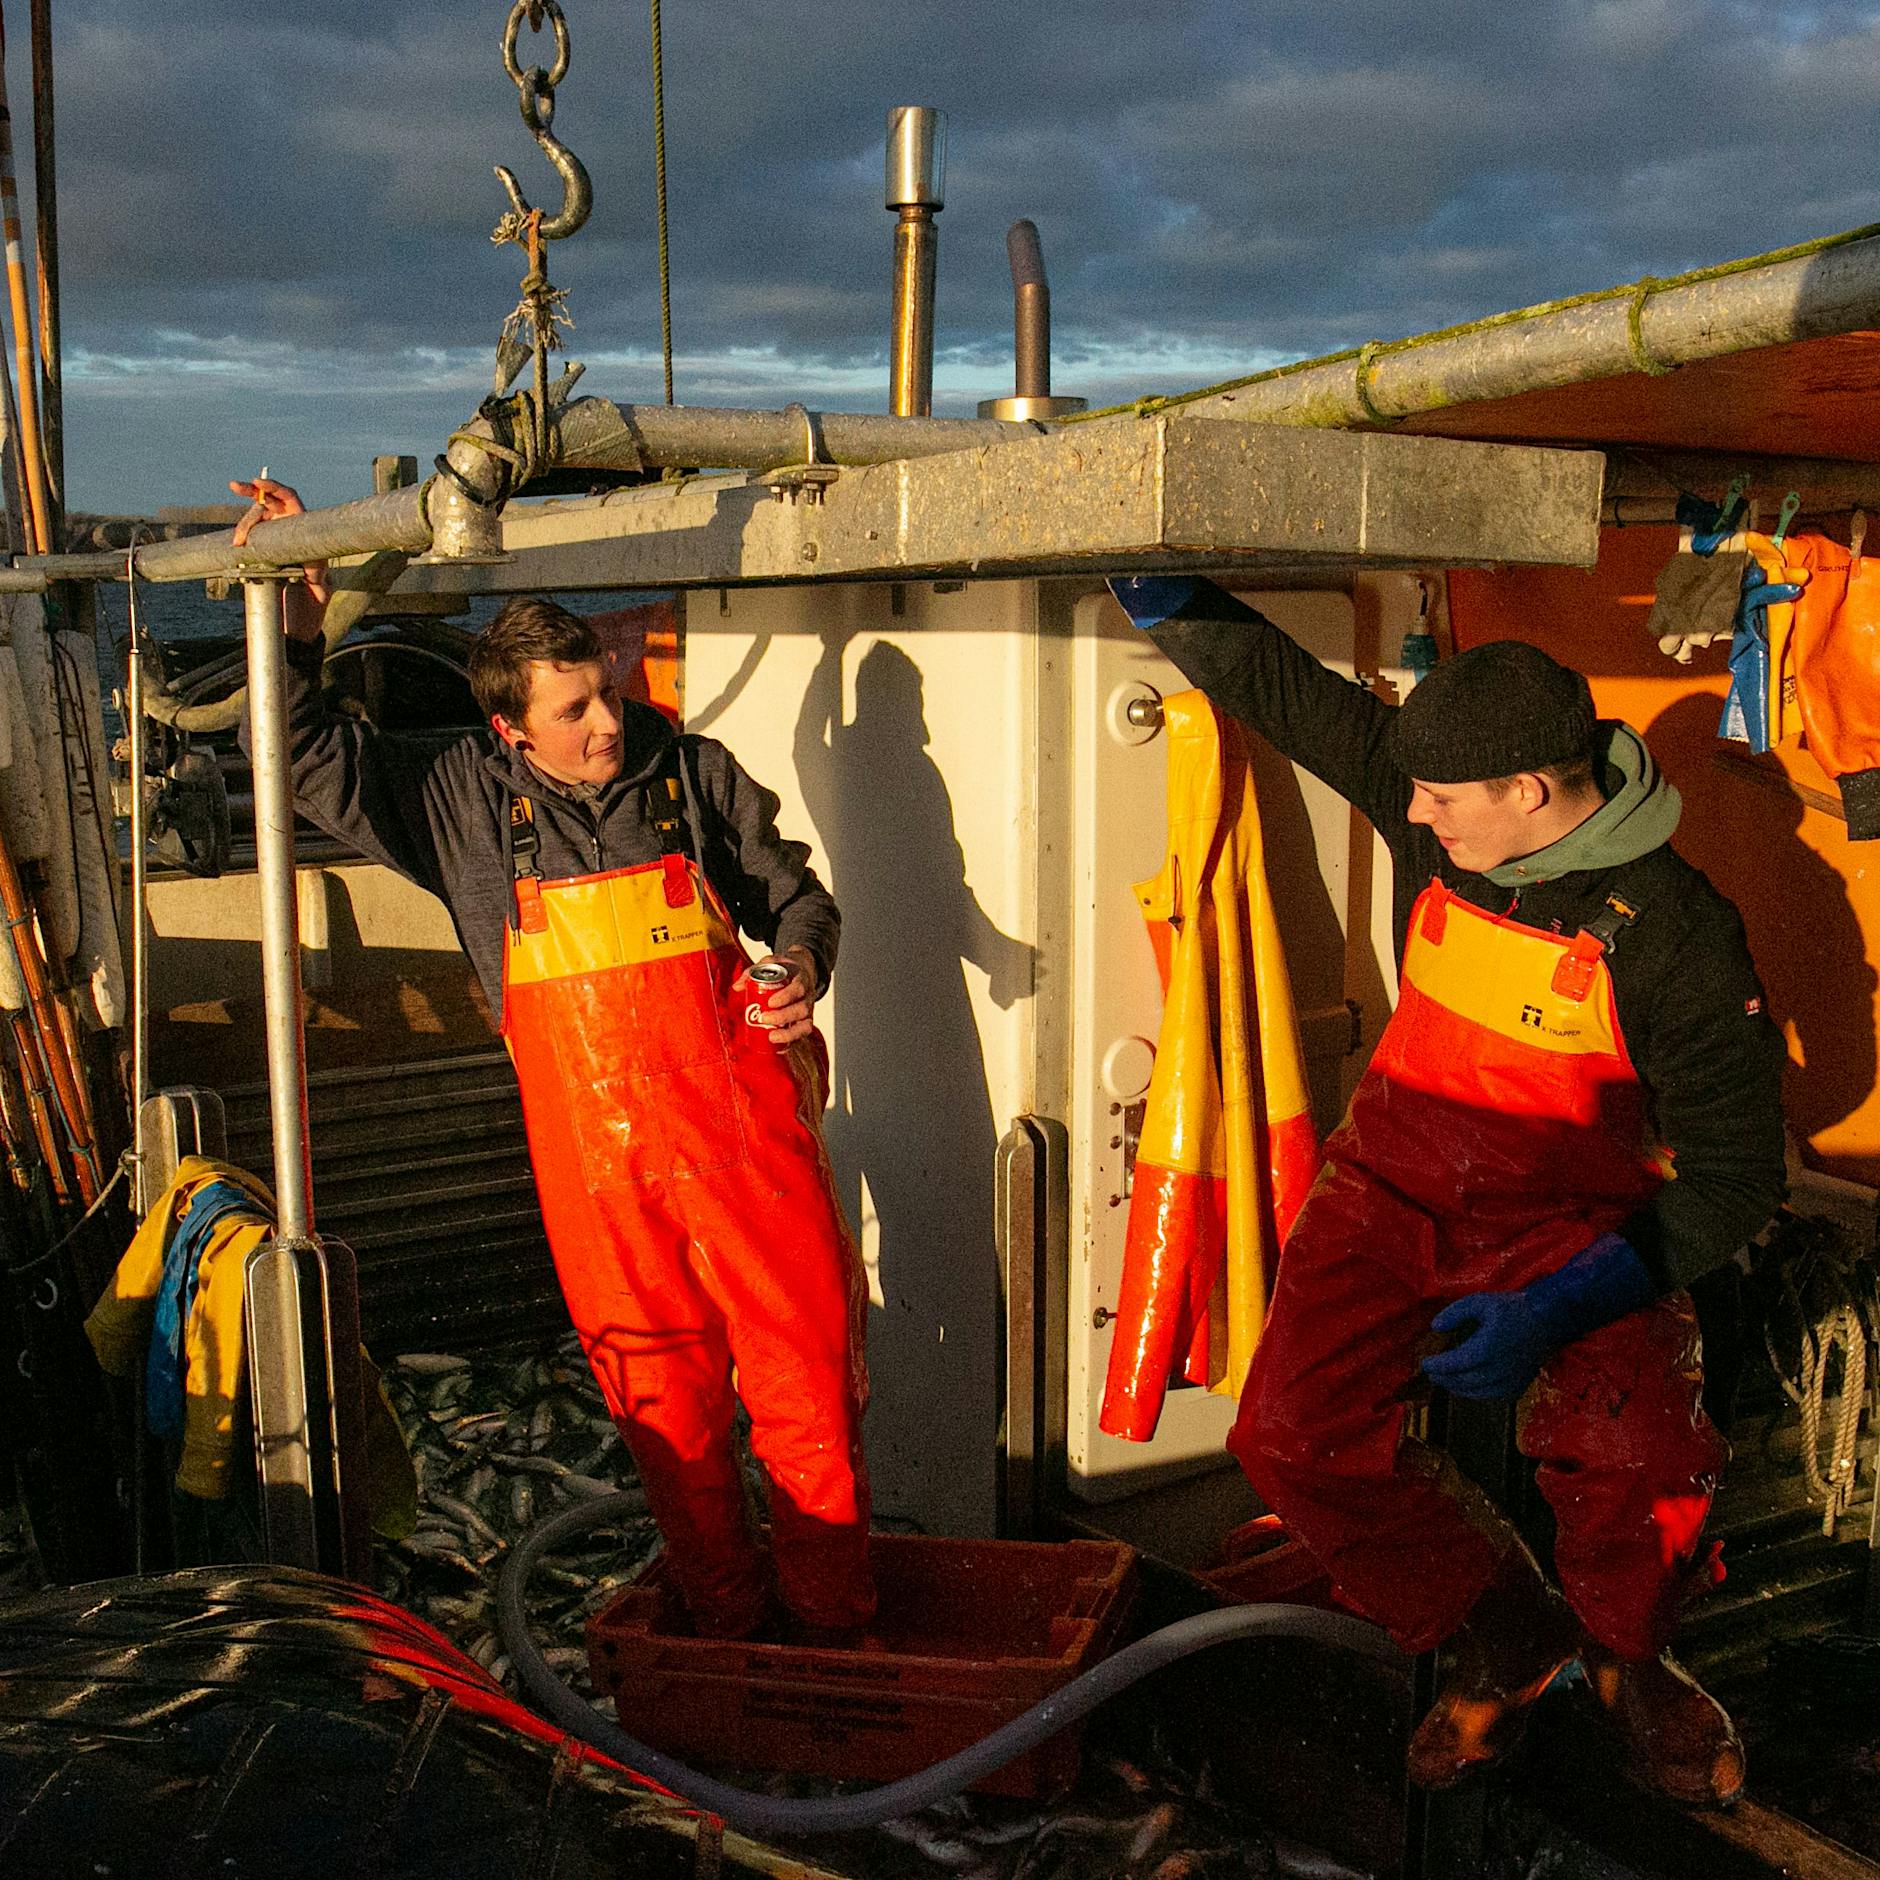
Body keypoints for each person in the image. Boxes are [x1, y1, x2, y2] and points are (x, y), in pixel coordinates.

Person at [1109, 575, 1786, 1807]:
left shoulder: (1680, 936)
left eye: (1437, 796)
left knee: (1641, 1452)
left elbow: (1735, 1181)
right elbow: (1280, 690)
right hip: (1391, 1185)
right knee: (1286, 1434)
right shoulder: (1448, 809)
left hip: (1568, 1227)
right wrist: (1153, 585)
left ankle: (1633, 1658)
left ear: (1528, 790)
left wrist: (1556, 1307)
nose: (1409, 808)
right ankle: (1502, 1625)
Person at [234, 476, 873, 1643]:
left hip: (745, 1152)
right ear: (509, 730)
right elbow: (297, 754)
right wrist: (296, 626)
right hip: (600, 1182)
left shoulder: (693, 773)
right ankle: (726, 1640)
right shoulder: (454, 799)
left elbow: (797, 899)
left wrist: (798, 963)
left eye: (607, 692)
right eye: (574, 710)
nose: (606, 723)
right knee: (668, 1422)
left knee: (812, 1396)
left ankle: (833, 1639)